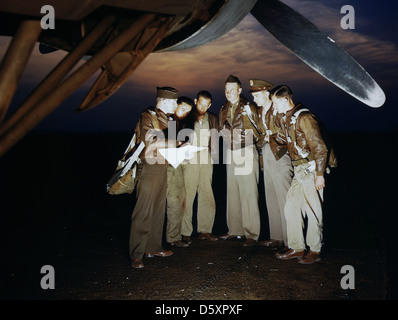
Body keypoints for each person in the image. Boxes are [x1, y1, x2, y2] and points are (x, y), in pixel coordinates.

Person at [271, 85, 328, 264]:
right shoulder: (288, 119)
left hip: (310, 169)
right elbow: (284, 140)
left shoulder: (304, 117)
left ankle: (315, 250)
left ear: (285, 100)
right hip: (299, 170)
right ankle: (297, 247)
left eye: (275, 103)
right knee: (291, 207)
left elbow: (320, 147)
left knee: (313, 211)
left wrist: (320, 174)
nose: (274, 107)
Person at [129, 86, 179, 269]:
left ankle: (153, 247)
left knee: (159, 208)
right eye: (174, 101)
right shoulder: (148, 116)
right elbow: (150, 141)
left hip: (163, 166)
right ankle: (136, 253)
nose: (176, 104)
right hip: (149, 167)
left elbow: (171, 146)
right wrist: (176, 142)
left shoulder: (171, 119)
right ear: (165, 101)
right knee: (143, 210)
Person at [249, 79, 293, 251]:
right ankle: (276, 236)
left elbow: (287, 132)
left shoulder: (278, 109)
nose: (254, 99)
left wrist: (269, 138)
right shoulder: (260, 111)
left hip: (280, 154)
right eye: (253, 96)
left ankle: (291, 241)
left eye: (257, 95)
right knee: (271, 196)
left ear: (267, 93)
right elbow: (260, 134)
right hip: (267, 154)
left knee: (284, 197)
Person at [218, 75, 261, 247]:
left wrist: (236, 137)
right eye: (226, 89)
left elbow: (256, 132)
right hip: (231, 151)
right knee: (233, 191)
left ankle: (252, 234)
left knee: (248, 193)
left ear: (240, 90)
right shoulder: (223, 108)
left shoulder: (248, 106)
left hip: (245, 150)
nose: (228, 92)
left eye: (232, 89)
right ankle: (235, 230)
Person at [180, 90, 219, 244]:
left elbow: (216, 138)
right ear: (196, 101)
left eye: (206, 105)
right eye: (200, 103)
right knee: (188, 195)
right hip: (190, 158)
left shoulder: (213, 118)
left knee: (206, 193)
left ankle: (205, 230)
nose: (203, 107)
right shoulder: (187, 117)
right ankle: (185, 232)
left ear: (209, 105)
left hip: (207, 158)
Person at [166, 96, 194, 248]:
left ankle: (173, 237)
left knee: (179, 199)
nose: (184, 113)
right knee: (173, 201)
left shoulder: (182, 122)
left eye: (188, 111)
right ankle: (171, 237)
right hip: (167, 165)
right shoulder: (168, 120)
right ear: (176, 105)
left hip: (177, 164)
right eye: (183, 109)